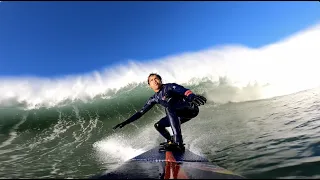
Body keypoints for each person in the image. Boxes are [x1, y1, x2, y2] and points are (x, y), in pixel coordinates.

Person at [112, 73, 207, 152]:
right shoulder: (154, 98)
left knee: (169, 108)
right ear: (149, 85)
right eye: (151, 80)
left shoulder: (169, 87)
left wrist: (192, 97)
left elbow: (185, 91)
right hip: (178, 115)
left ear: (160, 80)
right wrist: (126, 122)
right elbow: (140, 112)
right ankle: (171, 141)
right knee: (158, 125)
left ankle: (178, 143)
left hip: (190, 109)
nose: (154, 81)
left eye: (156, 78)